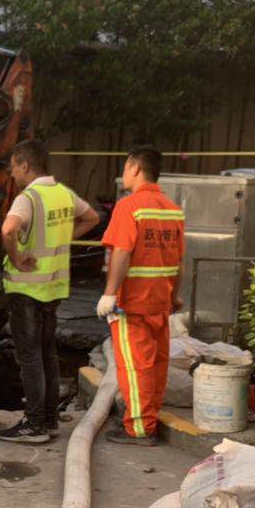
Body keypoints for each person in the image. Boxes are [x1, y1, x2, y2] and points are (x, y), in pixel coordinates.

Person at [0, 139, 99, 445]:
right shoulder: (63, 193)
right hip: (54, 286)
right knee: (47, 355)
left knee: (29, 358)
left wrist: (16, 258)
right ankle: (50, 420)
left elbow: (7, 230)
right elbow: (92, 217)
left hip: (26, 288)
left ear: (24, 164)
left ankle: (35, 424)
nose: (12, 173)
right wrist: (63, 239)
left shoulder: (28, 198)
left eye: (13, 167)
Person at [96, 145, 186, 445]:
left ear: (135, 168)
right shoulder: (172, 209)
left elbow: (122, 251)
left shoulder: (129, 206)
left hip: (132, 301)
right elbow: (178, 260)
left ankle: (138, 428)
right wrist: (175, 297)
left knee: (135, 366)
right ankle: (149, 418)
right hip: (161, 299)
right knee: (156, 364)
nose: (124, 174)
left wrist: (110, 294)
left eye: (125, 168)